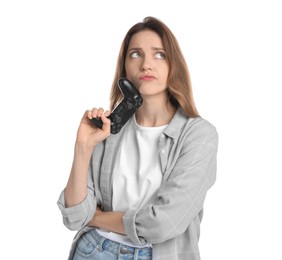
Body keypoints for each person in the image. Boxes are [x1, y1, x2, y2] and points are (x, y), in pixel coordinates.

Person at [57, 16, 218, 260]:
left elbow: (164, 224)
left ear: (174, 64)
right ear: (124, 69)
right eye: (135, 54)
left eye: (159, 54)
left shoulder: (199, 135)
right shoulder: (109, 130)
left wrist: (97, 217)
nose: (146, 64)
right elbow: (75, 217)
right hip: (93, 251)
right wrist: (83, 146)